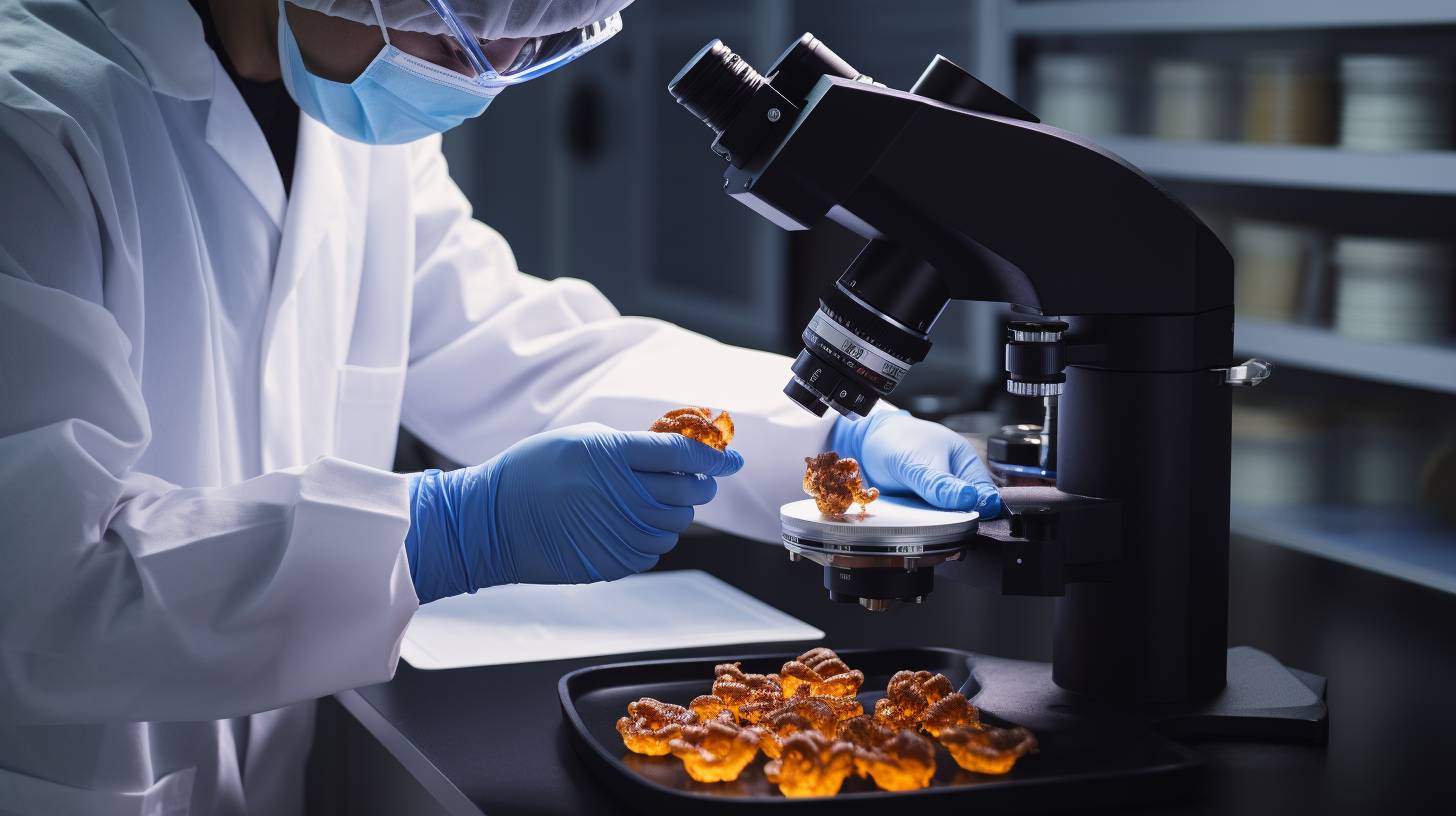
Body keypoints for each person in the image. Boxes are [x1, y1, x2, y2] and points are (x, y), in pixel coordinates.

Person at [0, 0, 1002, 813]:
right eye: (466, 29)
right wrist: (442, 532)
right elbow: (41, 581)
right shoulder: (32, 119)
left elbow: (505, 347)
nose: (486, 73)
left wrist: (826, 446)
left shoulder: (357, 125)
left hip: (258, 770)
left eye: (536, 37)